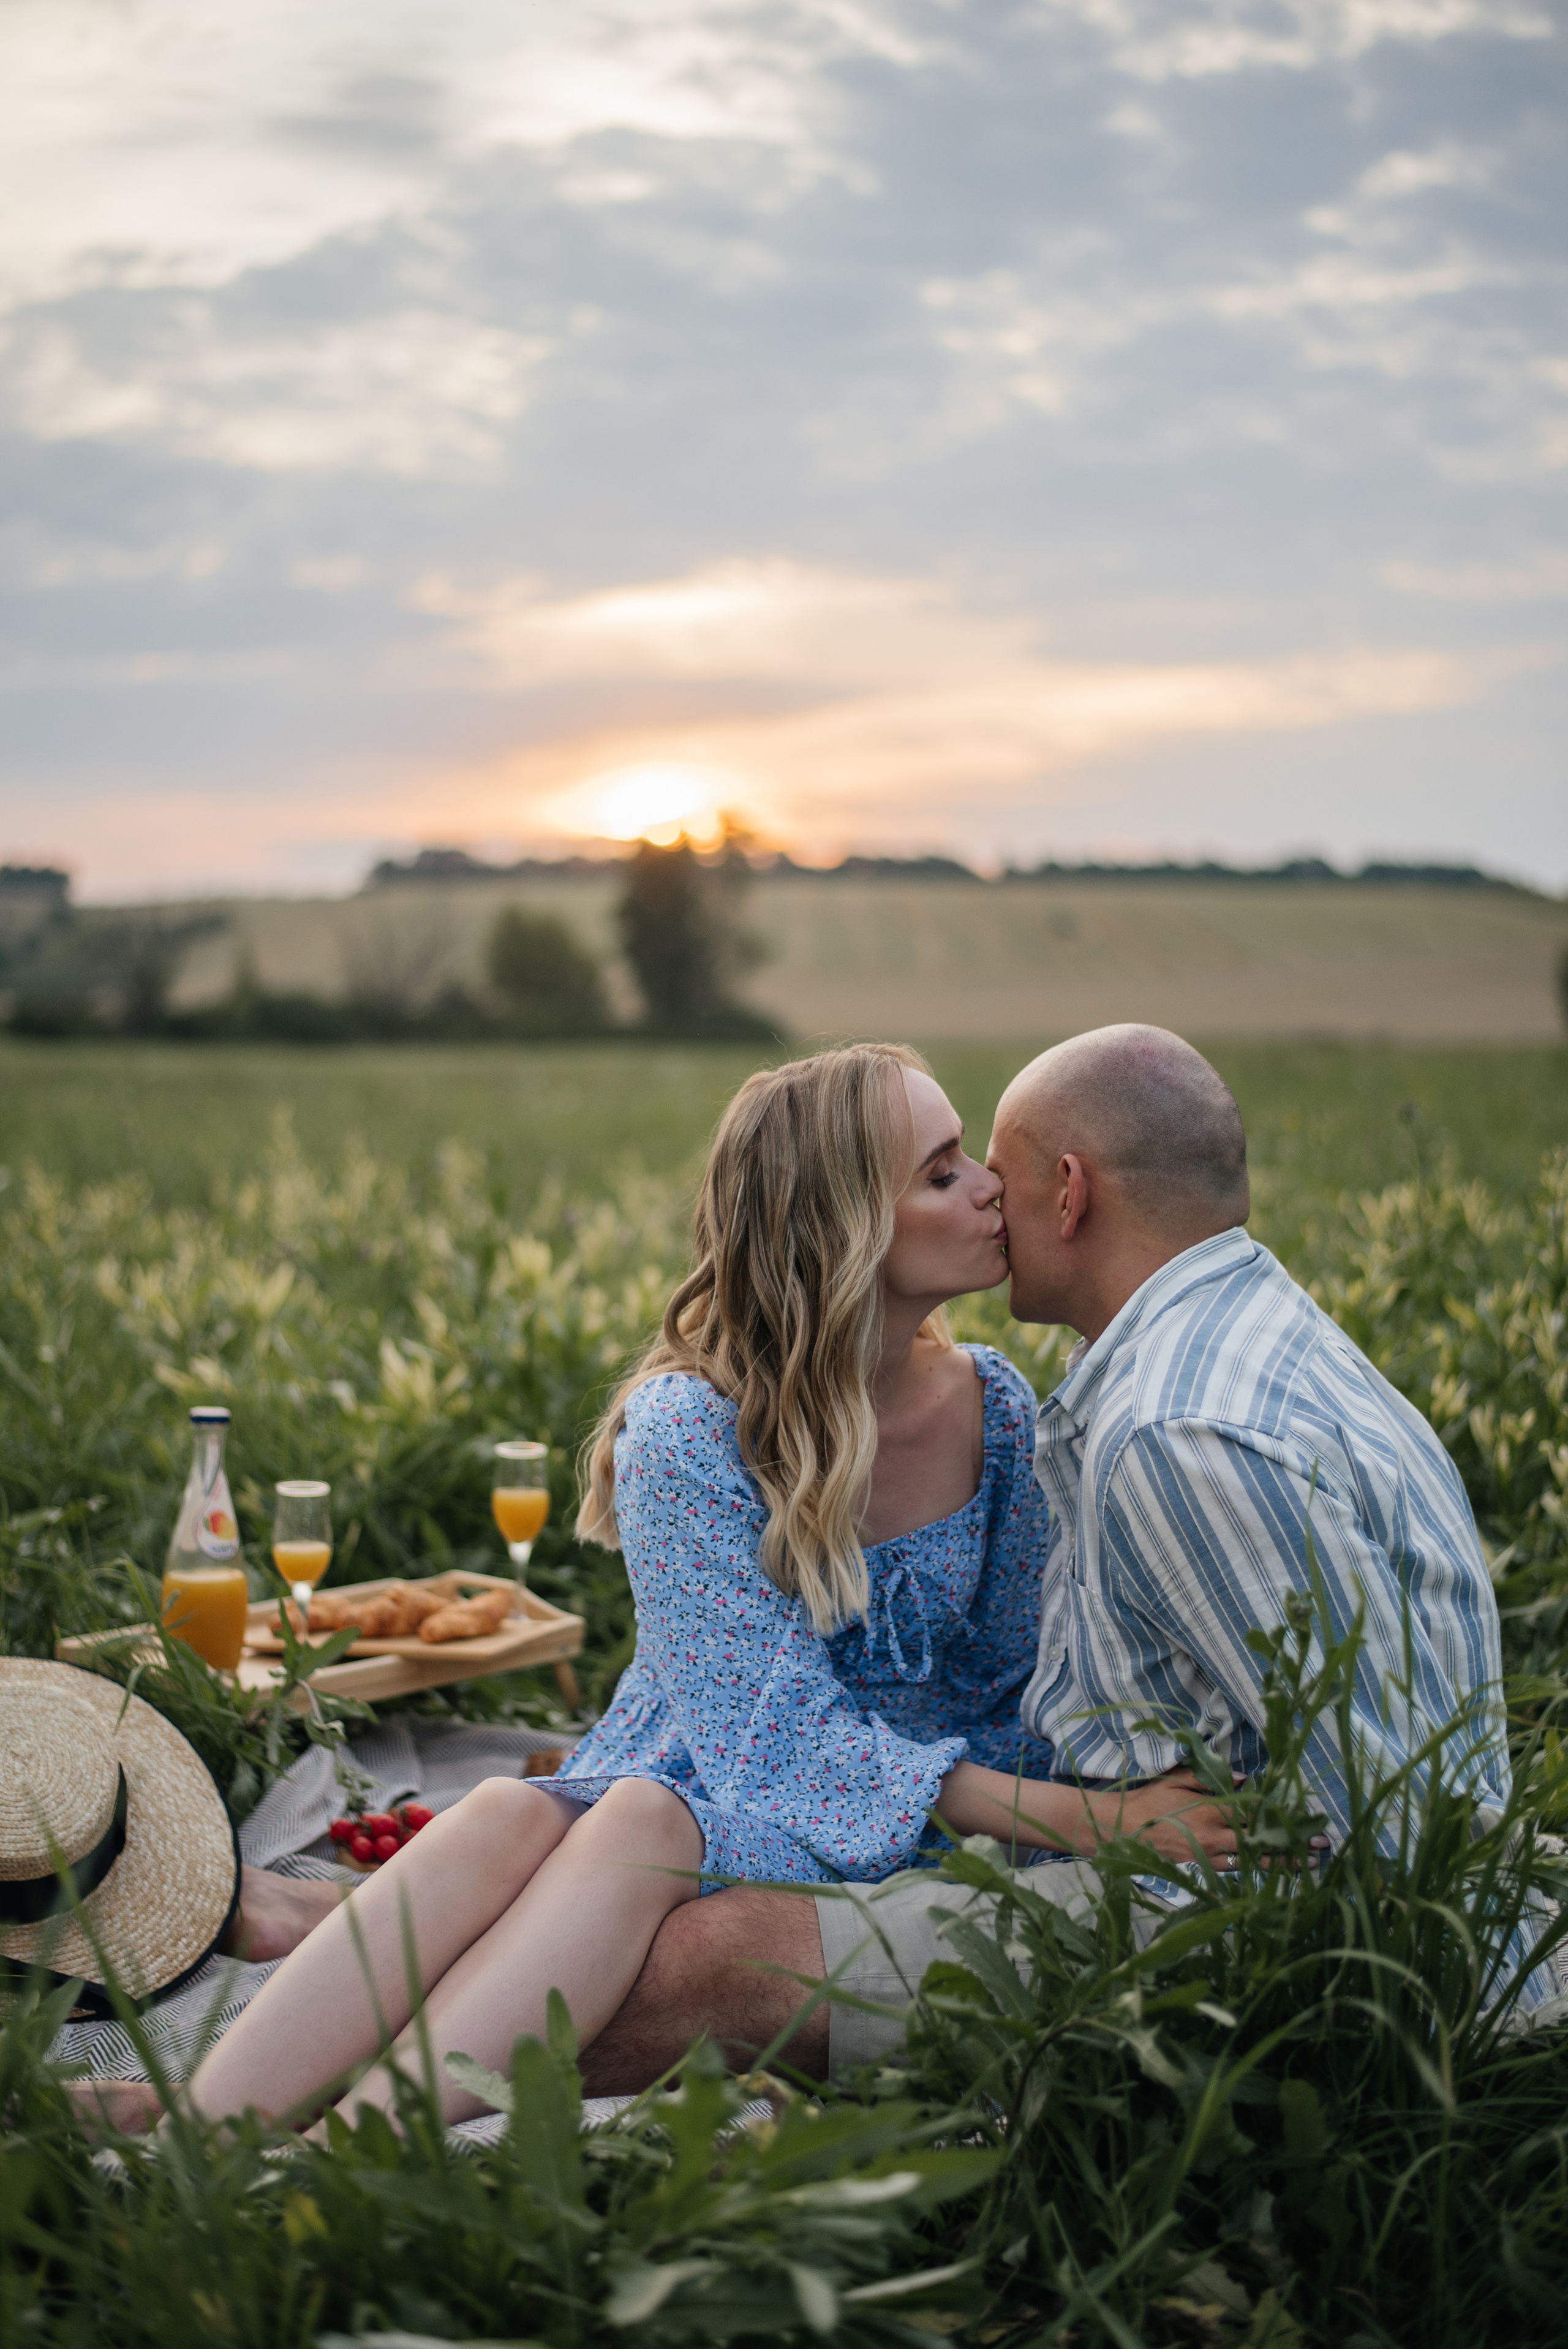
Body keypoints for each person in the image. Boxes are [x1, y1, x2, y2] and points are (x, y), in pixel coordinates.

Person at [180, 1043, 1234, 2132]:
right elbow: (767, 1737)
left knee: (634, 1817)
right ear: (840, 1230)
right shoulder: (687, 1429)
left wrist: (1071, 1817)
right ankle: (200, 2117)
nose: (989, 1187)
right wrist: (1089, 1821)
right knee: (511, 1809)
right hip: (731, 1778)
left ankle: (363, 2138)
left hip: (900, 1826)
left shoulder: (998, 1408)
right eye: (940, 1169)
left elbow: (1012, 1679)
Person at [566, 1023, 1521, 2088]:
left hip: (1235, 1909)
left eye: (991, 1171)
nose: (984, 1194)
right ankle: (374, 1986)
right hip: (1141, 1843)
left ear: (1067, 1196)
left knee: (712, 1947)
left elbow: (1379, 1818)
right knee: (577, 1847)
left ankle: (402, 2069)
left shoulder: (1167, 1435)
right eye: (946, 1171)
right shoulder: (1254, 1333)